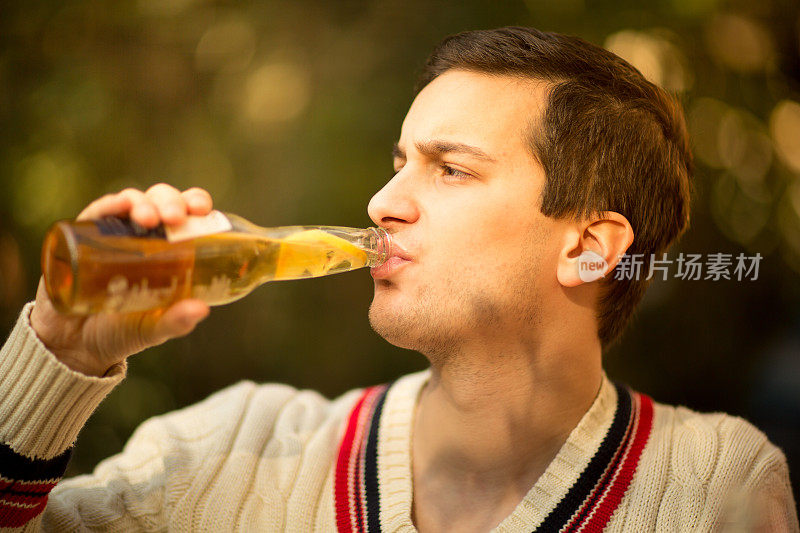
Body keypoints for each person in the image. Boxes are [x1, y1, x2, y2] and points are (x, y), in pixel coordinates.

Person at [0, 26, 797, 532]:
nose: (383, 203)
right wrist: (59, 348)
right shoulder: (230, 450)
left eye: (449, 169)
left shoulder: (715, 485)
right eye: (397, 162)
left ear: (589, 246)